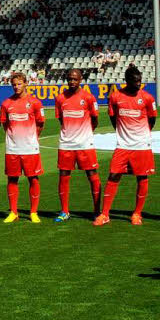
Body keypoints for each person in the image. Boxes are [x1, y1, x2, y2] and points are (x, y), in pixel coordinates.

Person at [95, 66, 157, 226]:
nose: (138, 84)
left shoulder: (148, 98)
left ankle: (137, 214)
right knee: (113, 175)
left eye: (140, 81)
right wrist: (123, 133)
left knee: (142, 177)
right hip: (123, 145)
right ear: (127, 80)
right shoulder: (115, 97)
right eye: (135, 81)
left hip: (142, 145)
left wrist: (141, 135)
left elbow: (152, 119)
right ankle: (105, 214)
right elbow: (112, 117)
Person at [55, 68, 101, 221]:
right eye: (69, 79)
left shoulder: (88, 97)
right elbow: (61, 119)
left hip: (84, 144)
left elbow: (95, 119)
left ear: (81, 79)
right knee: (63, 176)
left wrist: (86, 133)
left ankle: (97, 211)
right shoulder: (60, 98)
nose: (72, 82)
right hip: (66, 144)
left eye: (75, 79)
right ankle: (64, 211)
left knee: (92, 175)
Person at [0, 72, 45, 223]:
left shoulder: (35, 102)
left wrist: (32, 137)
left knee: (33, 178)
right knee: (12, 179)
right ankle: (13, 212)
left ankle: (33, 212)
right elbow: (5, 124)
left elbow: (40, 124)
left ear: (26, 83)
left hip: (30, 148)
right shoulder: (6, 103)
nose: (16, 87)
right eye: (14, 84)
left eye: (19, 84)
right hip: (12, 148)